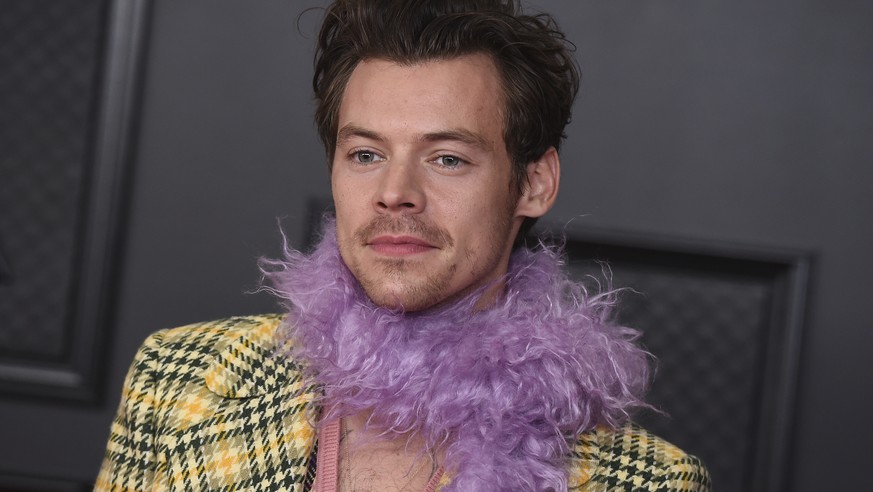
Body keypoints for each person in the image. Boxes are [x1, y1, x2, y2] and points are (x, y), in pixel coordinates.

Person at [97, 1, 711, 490]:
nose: (395, 193)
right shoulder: (182, 381)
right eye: (366, 154)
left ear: (534, 182)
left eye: (447, 158)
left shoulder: (647, 482)